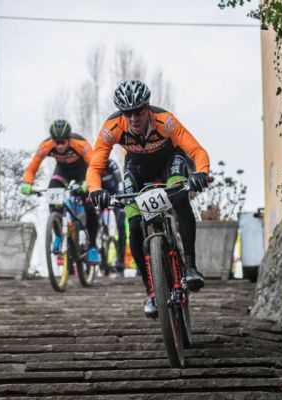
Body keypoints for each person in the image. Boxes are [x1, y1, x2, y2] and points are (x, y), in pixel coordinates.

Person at [87, 80, 210, 318]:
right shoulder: (112, 127)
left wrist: (201, 173)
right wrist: (95, 190)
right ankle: (151, 292)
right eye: (127, 113)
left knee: (179, 197)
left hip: (170, 163)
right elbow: (95, 166)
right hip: (137, 168)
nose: (134, 118)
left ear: (148, 107)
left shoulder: (165, 120)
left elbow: (197, 151)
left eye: (139, 110)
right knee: (134, 224)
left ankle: (190, 267)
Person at [21, 120, 100, 264]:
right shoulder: (46, 145)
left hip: (83, 172)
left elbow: (95, 165)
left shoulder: (80, 144)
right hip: (63, 172)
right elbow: (32, 167)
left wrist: (89, 183)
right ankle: (58, 233)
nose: (60, 146)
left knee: (89, 206)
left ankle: (93, 247)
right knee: (53, 192)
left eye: (63, 142)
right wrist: (27, 183)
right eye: (57, 142)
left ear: (69, 139)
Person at [101, 159, 126, 270]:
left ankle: (121, 260)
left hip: (116, 195)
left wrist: (120, 195)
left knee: (121, 225)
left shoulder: (111, 164)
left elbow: (119, 181)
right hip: (102, 197)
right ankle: (102, 257)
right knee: (97, 223)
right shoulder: (94, 165)